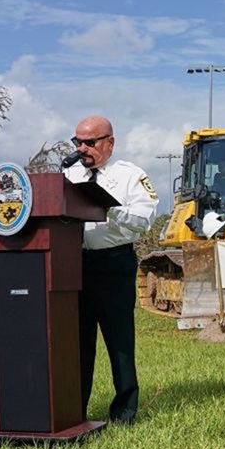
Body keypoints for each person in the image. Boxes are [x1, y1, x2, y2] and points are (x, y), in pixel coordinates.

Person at [63, 115, 158, 424]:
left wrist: (108, 207)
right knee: (77, 343)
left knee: (119, 341)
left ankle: (124, 412)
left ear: (109, 143)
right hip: (74, 263)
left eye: (89, 142)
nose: (82, 148)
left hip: (113, 262)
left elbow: (143, 221)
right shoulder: (69, 174)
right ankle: (74, 410)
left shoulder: (129, 175)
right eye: (77, 142)